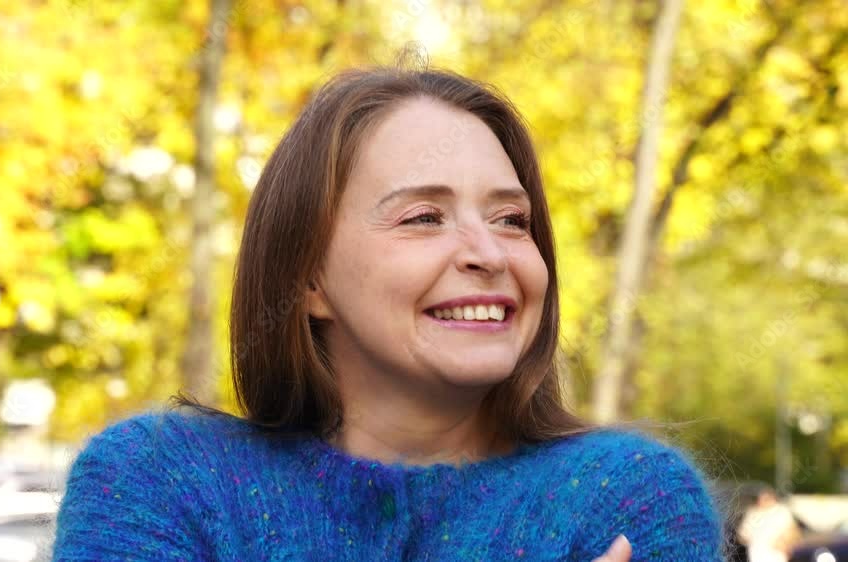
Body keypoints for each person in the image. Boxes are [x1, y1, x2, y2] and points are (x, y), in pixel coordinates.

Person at [51, 60, 726, 561]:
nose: (489, 253)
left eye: (512, 220)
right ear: (308, 276)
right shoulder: (159, 483)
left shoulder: (629, 500)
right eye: (424, 217)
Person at [737, 486, 802, 562]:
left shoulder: (781, 511)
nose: (762, 501)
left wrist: (785, 543)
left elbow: (794, 533)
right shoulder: (752, 513)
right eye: (760, 498)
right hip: (756, 556)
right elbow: (742, 536)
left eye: (766, 498)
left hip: (777, 556)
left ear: (773, 498)